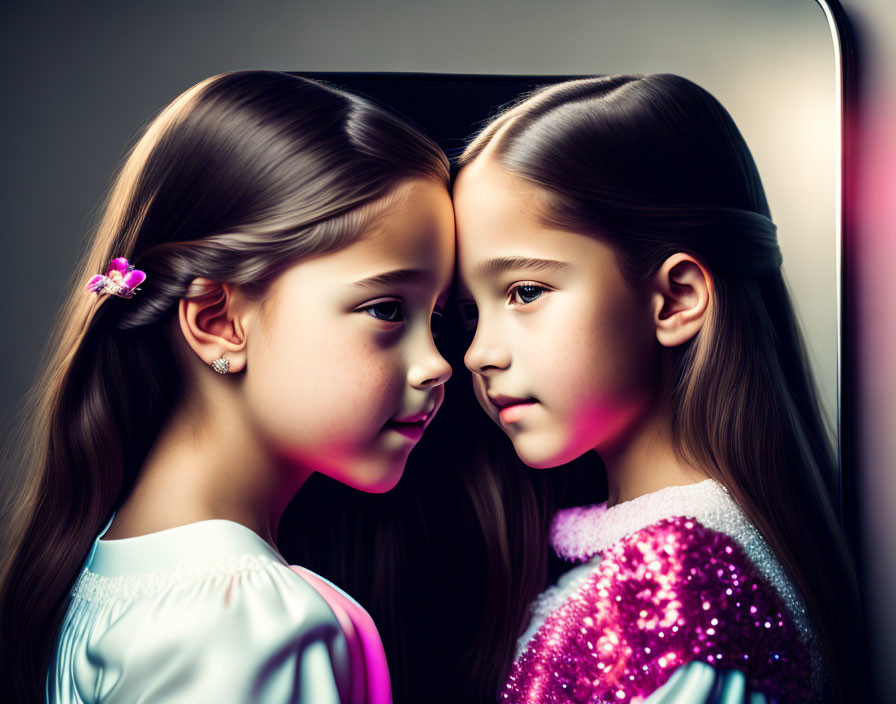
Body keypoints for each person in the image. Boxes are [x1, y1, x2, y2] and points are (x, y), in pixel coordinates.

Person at [0, 69, 454, 703]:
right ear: (218, 322)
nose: (438, 364)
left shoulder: (110, 568)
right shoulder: (245, 619)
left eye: (435, 316)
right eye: (386, 309)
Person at [451, 74, 864, 702]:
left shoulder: (676, 586)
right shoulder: (677, 557)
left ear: (675, 299)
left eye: (525, 292)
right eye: (468, 312)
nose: (479, 353)